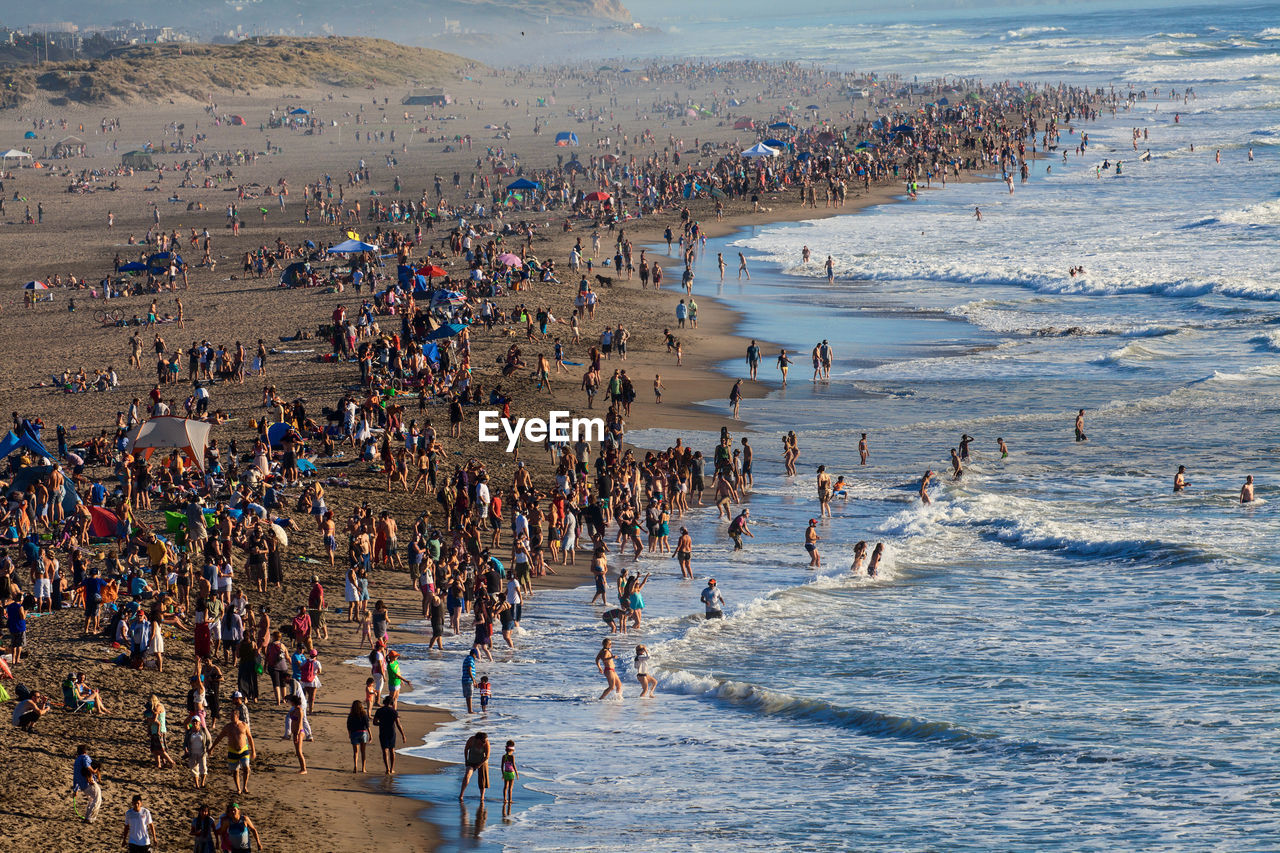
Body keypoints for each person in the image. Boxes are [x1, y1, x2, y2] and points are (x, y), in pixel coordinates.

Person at [209, 704, 256, 792]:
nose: (230, 717)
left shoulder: (244, 725)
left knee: (246, 768)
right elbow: (219, 738)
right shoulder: (228, 727)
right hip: (232, 751)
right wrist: (212, 748)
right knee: (235, 771)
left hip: (243, 750)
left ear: (237, 716)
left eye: (232, 716)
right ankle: (238, 788)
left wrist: (253, 751)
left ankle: (245, 786)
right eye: (230, 716)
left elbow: (250, 738)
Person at [373, 694, 407, 775]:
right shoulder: (394, 711)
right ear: (391, 703)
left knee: (385, 750)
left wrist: (380, 724)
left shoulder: (379, 711)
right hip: (391, 732)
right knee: (392, 750)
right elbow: (398, 724)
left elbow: (374, 722)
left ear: (384, 702)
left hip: (383, 732)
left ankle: (387, 769)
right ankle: (392, 769)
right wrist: (403, 735)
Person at [460, 731, 490, 801]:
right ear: (478, 739)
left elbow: (487, 756)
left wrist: (479, 765)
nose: (484, 743)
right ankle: (461, 795)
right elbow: (466, 749)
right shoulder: (471, 740)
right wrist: (466, 760)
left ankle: (482, 797)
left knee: (482, 779)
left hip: (482, 761)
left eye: (485, 741)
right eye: (483, 741)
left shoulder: (486, 743)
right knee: (467, 775)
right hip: (471, 760)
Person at [347, 699, 370, 773]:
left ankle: (355, 766)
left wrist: (349, 733)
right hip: (363, 733)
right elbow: (367, 725)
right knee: (363, 752)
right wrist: (370, 734)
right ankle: (363, 768)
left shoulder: (351, 715)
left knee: (355, 752)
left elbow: (348, 726)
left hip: (354, 733)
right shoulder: (364, 714)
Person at [501, 740, 519, 806]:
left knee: (505, 787)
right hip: (511, 773)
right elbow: (514, 765)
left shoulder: (504, 756)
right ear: (512, 750)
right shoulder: (512, 757)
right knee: (510, 788)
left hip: (506, 772)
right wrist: (517, 773)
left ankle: (505, 799)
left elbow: (502, 766)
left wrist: (502, 774)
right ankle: (510, 800)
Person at [462, 645, 479, 713]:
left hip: (465, 679)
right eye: (476, 655)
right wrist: (473, 680)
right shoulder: (470, 659)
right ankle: (470, 710)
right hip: (468, 679)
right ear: (474, 654)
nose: (476, 657)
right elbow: (469, 670)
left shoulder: (467, 658)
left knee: (468, 696)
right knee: (470, 695)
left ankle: (469, 709)